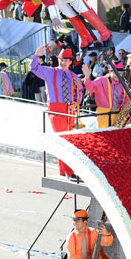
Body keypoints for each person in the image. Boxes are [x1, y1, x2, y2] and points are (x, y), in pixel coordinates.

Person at [31, 45, 83, 179]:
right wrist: (36, 56)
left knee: (66, 139)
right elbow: (34, 68)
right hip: (55, 109)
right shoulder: (50, 71)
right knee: (64, 139)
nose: (63, 62)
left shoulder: (73, 76)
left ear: (70, 62)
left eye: (66, 60)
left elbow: (79, 91)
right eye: (61, 59)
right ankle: (70, 172)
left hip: (69, 109)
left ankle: (62, 170)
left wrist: (76, 102)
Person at [82, 61, 127, 128]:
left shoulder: (123, 84)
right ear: (110, 71)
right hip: (103, 114)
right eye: (116, 73)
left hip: (118, 114)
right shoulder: (102, 80)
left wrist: (124, 110)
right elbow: (90, 87)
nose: (118, 75)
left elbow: (126, 98)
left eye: (120, 73)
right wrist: (87, 77)